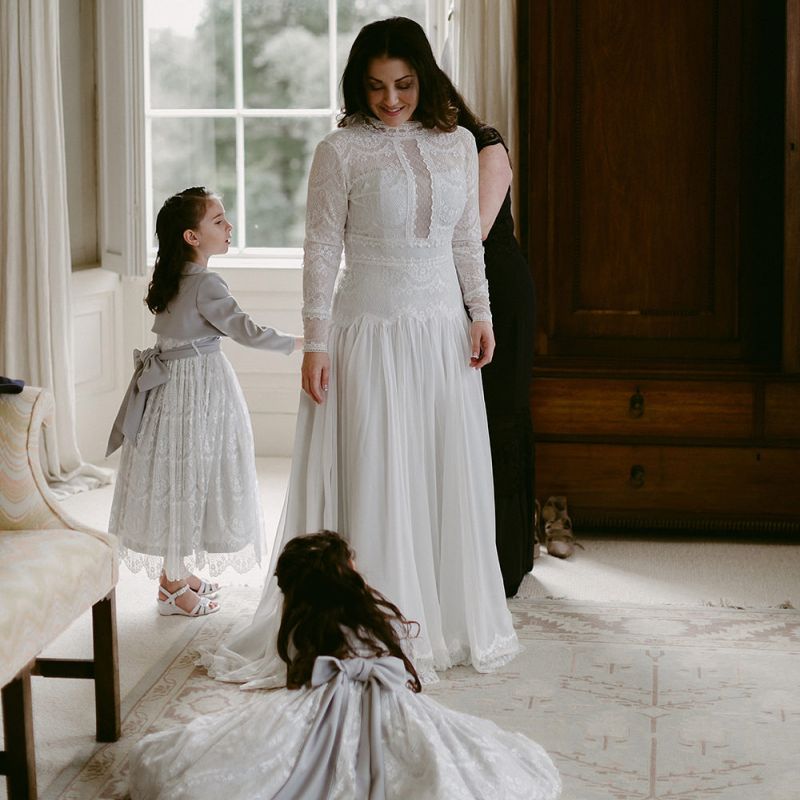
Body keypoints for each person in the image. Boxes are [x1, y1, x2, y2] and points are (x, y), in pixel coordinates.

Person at [198, 17, 519, 683]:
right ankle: (366, 619)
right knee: (377, 465)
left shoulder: (460, 142)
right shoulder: (340, 151)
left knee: (437, 468)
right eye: (375, 87)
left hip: (439, 332)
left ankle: (444, 618)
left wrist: (479, 313)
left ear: (424, 78)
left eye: (403, 84)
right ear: (358, 86)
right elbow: (321, 250)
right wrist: (315, 342)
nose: (391, 99)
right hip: (367, 330)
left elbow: (466, 239)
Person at [128, 531, 562, 800]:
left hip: (317, 707)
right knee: (451, 759)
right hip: (389, 704)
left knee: (234, 760)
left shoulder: (303, 627)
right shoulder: (370, 621)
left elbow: (300, 673)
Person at [107, 187, 301, 617]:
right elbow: (245, 329)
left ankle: (177, 570)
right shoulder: (207, 282)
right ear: (191, 237)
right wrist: (298, 343)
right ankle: (172, 586)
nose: (229, 227)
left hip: (172, 388)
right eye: (218, 221)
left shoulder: (176, 276)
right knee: (194, 470)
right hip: (195, 388)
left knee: (182, 471)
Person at [445, 81, 541, 592]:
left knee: (499, 418)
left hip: (498, 290)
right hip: (447, 294)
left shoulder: (486, 146)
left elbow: (473, 233)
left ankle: (506, 561)